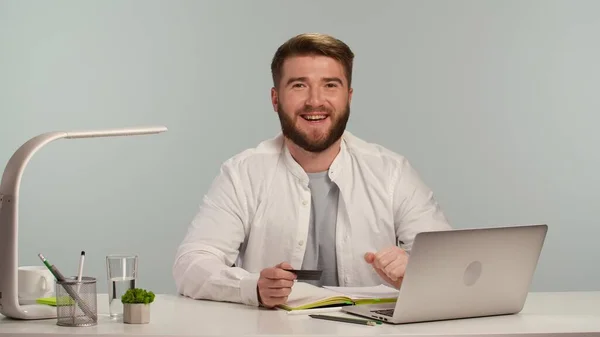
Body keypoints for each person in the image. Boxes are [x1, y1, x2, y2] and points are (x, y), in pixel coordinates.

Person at [173, 32, 451, 308]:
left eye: (330, 85)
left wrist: (414, 270)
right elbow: (191, 264)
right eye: (298, 86)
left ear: (348, 97)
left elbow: (449, 263)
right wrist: (251, 287)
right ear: (275, 99)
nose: (315, 101)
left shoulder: (392, 172)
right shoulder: (242, 174)